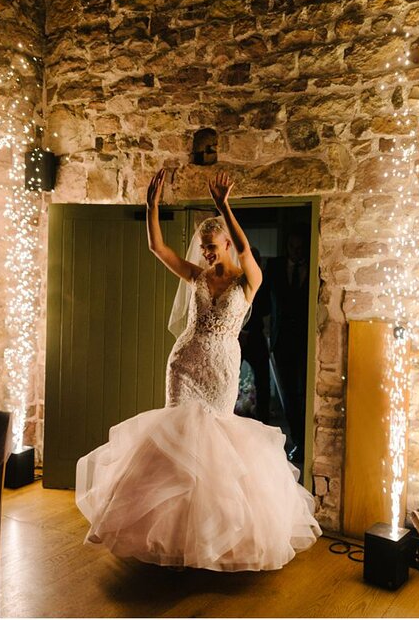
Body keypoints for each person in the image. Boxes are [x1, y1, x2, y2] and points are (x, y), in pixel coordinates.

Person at [75, 168, 321, 571]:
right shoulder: (196, 277)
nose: (206, 253)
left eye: (212, 246)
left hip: (221, 368)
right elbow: (158, 249)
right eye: (203, 247)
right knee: (175, 438)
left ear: (226, 243)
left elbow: (245, 250)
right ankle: (168, 540)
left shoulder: (248, 280)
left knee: (214, 442)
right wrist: (151, 206)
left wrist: (225, 205)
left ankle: (209, 538)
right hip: (184, 363)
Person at [266, 228, 310, 463]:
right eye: (292, 246)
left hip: (306, 342)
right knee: (288, 397)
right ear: (287, 247)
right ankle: (298, 440)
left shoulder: (313, 267)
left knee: (305, 394)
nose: (297, 251)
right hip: (281, 342)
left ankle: (305, 444)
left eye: (300, 246)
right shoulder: (274, 267)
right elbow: (262, 301)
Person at [238, 246, 272, 424]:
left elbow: (265, 308)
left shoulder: (263, 282)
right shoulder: (234, 279)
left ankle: (263, 422)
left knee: (263, 383)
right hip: (235, 337)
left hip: (256, 335)